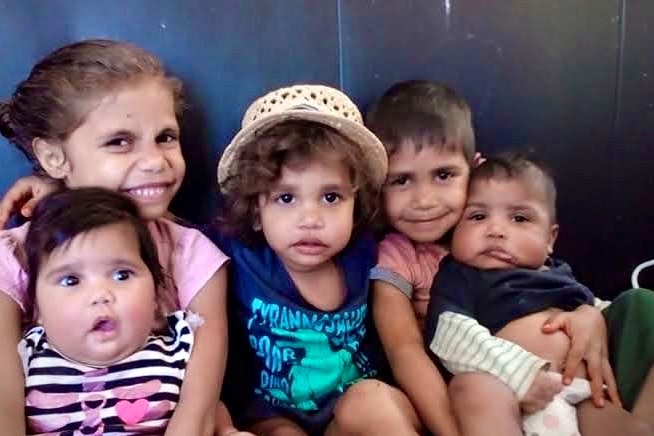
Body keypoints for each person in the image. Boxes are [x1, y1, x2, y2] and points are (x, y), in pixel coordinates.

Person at [0, 39, 229, 435]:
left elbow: (198, 409)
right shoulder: (14, 257)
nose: (156, 161)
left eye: (166, 137)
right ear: (55, 158)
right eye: (119, 142)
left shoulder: (193, 255)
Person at [366, 80, 616, 434]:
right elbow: (405, 351)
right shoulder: (397, 257)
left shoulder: (501, 235)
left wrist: (590, 314)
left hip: (564, 382)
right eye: (401, 180)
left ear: (474, 170)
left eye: (443, 175)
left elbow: (556, 287)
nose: (424, 199)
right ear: (378, 184)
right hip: (463, 401)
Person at [206, 84, 421, 436]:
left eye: (331, 196)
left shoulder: (367, 253)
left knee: (371, 401)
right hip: (272, 415)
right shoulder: (237, 253)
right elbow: (169, 240)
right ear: (256, 211)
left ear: (357, 206)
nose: (310, 218)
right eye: (287, 198)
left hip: (353, 408)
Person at [425, 153, 653, 435]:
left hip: (584, 396)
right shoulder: (460, 275)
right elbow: (450, 334)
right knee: (471, 387)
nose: (495, 230)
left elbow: (609, 314)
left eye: (519, 218)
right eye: (478, 216)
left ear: (550, 239)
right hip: (513, 398)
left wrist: (591, 314)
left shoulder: (560, 276)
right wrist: (523, 375)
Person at [21, 187, 201, 434]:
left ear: (156, 298)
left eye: (121, 275)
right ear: (37, 309)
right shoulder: (25, 360)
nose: (100, 295)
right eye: (71, 280)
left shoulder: (178, 353)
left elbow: (209, 408)